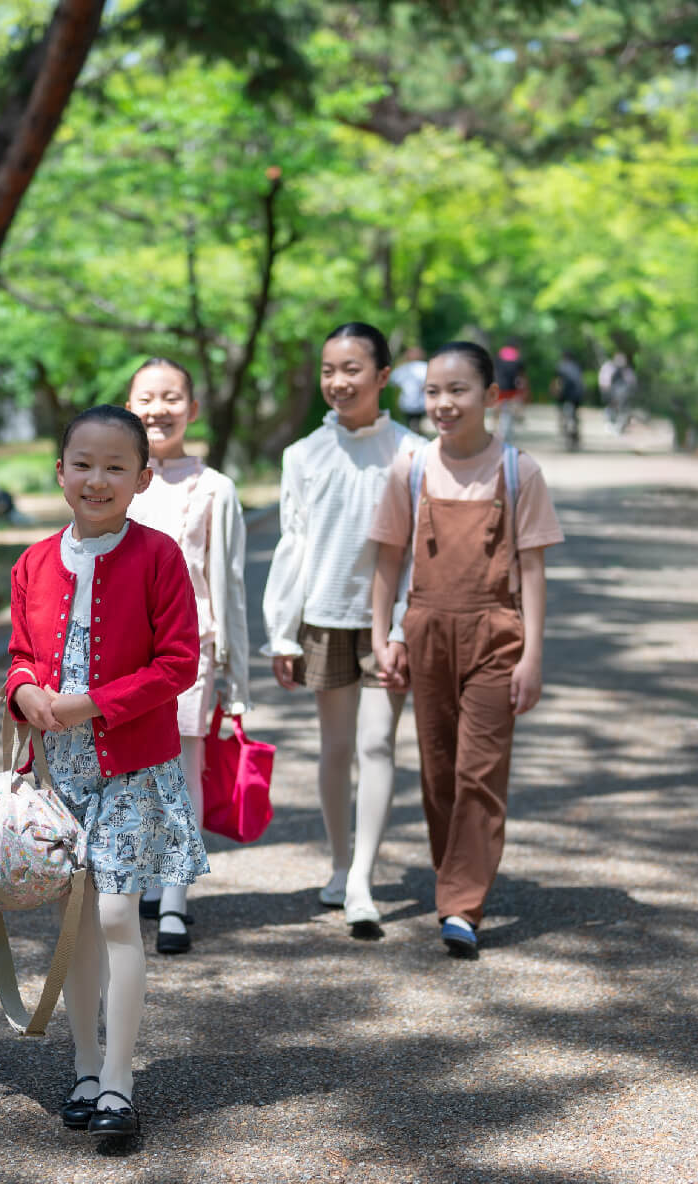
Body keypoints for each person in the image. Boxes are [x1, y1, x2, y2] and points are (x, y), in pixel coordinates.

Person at [6, 405, 206, 1138]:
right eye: (82, 464)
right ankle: (85, 1067)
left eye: (116, 466)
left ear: (143, 479)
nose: (97, 479)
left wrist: (94, 703)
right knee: (77, 924)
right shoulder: (33, 560)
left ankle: (120, 1083)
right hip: (59, 772)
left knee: (121, 913)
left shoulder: (158, 556)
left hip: (134, 768)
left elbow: (179, 662)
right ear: (59, 472)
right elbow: (21, 653)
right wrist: (25, 688)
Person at [368, 341, 562, 959]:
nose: (444, 404)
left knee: (481, 770)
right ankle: (455, 877)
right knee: (438, 769)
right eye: (432, 392)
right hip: (425, 632)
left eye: (458, 391)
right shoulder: (413, 468)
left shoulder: (517, 471)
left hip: (495, 634)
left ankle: (459, 904)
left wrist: (532, 654)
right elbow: (387, 558)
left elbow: (532, 570)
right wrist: (383, 636)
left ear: (491, 397)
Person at [264, 322, 424, 938]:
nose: (339, 382)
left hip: (387, 625)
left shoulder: (413, 452)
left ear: (383, 376)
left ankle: (363, 877)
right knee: (335, 748)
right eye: (330, 370)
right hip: (324, 616)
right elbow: (293, 545)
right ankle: (337, 863)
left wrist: (404, 626)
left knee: (377, 745)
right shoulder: (303, 454)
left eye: (353, 369)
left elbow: (415, 554)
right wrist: (282, 632)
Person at [122, 358, 251, 956]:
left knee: (184, 770)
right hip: (121, 652)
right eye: (146, 398)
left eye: (171, 397)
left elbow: (229, 583)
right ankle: (145, 876)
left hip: (188, 650)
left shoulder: (215, 488)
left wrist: (235, 672)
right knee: (132, 769)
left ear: (192, 409)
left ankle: (175, 895)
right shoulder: (116, 478)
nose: (158, 409)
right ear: (128, 406)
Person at [492, 340, 529, 442]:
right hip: (512, 388)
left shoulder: (498, 356)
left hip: (498, 387)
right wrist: (525, 390)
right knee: (514, 405)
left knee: (497, 408)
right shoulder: (518, 357)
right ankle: (518, 417)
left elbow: (493, 371)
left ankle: (495, 429)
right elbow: (522, 376)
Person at [391, 345, 429, 432]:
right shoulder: (425, 367)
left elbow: (393, 381)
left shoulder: (402, 368)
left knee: (410, 424)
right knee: (416, 424)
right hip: (421, 403)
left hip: (407, 403)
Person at [598, 349, 636, 434]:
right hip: (612, 393)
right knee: (611, 408)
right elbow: (604, 380)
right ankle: (610, 423)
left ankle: (618, 425)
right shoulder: (609, 367)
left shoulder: (626, 370)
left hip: (621, 394)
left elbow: (631, 382)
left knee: (623, 410)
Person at [553, 349, 585, 449]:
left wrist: (555, 392)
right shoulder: (577, 366)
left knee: (562, 411)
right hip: (577, 394)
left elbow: (557, 381)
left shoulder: (560, 366)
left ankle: (564, 425)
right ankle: (575, 434)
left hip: (565, 394)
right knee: (575, 414)